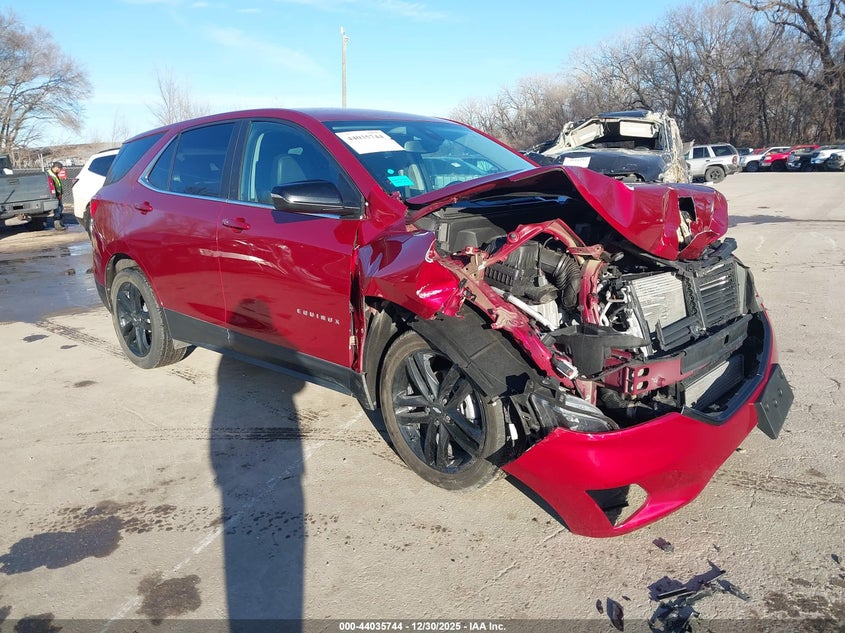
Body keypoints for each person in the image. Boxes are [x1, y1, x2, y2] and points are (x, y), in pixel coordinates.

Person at [46, 161, 67, 231]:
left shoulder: (54, 174)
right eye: (60, 169)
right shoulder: (49, 174)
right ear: (56, 168)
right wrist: (57, 194)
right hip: (55, 195)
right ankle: (57, 225)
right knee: (57, 209)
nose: (60, 170)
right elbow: (53, 186)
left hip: (58, 194)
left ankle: (60, 223)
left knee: (60, 208)